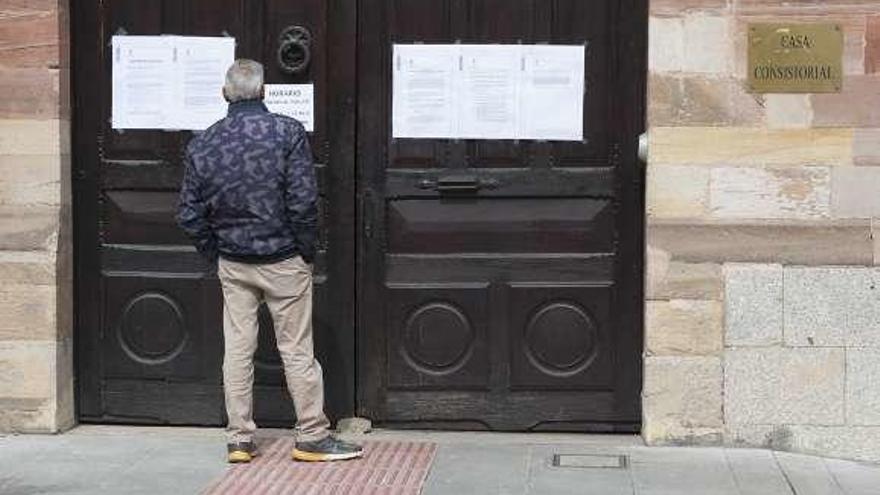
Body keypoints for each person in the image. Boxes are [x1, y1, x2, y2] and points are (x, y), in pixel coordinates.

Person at [177, 59, 363, 464]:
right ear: (263, 92)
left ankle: (239, 439)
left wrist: (216, 251)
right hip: (283, 259)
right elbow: (303, 200)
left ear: (226, 93)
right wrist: (305, 249)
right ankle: (311, 435)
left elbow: (189, 214)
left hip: (233, 261)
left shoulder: (203, 142)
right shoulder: (287, 132)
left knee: (238, 350)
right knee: (296, 348)